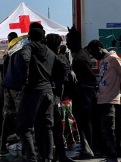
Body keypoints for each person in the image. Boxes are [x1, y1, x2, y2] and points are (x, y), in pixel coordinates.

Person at [17, 28, 67, 162]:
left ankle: (32, 158)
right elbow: (64, 67)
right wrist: (56, 82)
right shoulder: (50, 52)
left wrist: (24, 81)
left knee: (24, 128)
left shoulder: (29, 47)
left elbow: (23, 58)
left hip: (33, 91)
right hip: (48, 92)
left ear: (30, 37)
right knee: (47, 127)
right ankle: (48, 159)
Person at [87, 39, 121, 162]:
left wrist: (118, 91)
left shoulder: (114, 59)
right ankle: (110, 155)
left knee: (109, 129)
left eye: (93, 52)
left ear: (99, 49)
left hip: (110, 99)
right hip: (103, 99)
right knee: (105, 129)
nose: (93, 56)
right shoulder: (104, 60)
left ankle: (112, 156)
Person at [66, 26, 95, 159]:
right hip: (82, 94)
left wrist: (79, 85)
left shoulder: (80, 58)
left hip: (82, 95)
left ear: (75, 41)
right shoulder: (80, 55)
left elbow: (91, 77)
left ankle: (87, 149)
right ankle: (87, 148)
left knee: (84, 122)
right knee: (84, 121)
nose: (67, 43)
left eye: (69, 40)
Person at [45, 34, 72, 162]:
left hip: (44, 96)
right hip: (53, 97)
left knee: (48, 128)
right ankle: (58, 155)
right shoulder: (55, 57)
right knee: (55, 128)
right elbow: (65, 71)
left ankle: (52, 155)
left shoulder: (42, 56)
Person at [0, 31, 24, 156]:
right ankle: (24, 147)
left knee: (7, 117)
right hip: (16, 89)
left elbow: (3, 72)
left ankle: (3, 146)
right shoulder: (18, 53)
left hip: (7, 89)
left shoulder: (9, 54)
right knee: (22, 116)